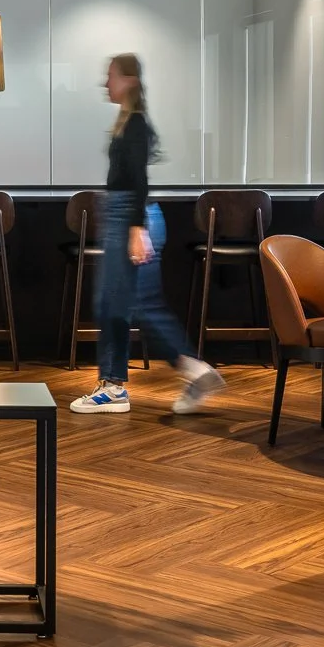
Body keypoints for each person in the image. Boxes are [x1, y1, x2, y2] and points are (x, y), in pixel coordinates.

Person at [70, 55, 227, 416]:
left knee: (113, 305)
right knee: (138, 304)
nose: (104, 83)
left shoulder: (135, 124)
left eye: (109, 76)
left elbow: (138, 179)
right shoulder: (129, 122)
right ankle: (192, 369)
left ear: (128, 80)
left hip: (129, 218)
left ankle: (114, 387)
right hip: (129, 216)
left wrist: (136, 229)